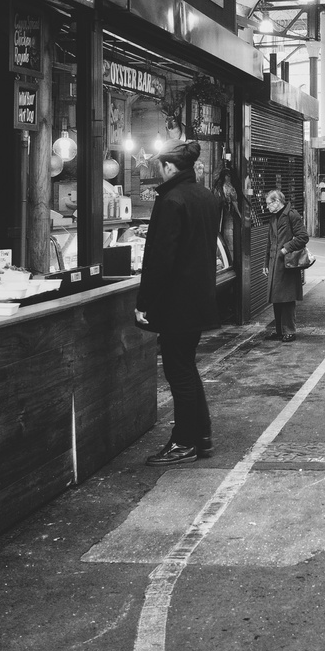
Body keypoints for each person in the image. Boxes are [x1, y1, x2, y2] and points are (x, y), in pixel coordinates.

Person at [135, 140, 222, 467]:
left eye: (160, 166)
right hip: (199, 298)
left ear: (170, 167)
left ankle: (184, 443)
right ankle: (201, 437)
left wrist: (144, 302)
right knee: (186, 369)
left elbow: (160, 259)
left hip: (176, 304)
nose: (159, 171)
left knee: (179, 371)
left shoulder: (172, 200)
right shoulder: (206, 196)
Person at [261, 188, 309, 342]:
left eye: (269, 203)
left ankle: (289, 331)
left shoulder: (291, 215)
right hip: (274, 263)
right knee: (277, 298)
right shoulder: (274, 217)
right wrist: (265, 263)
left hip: (286, 264)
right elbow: (269, 241)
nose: (267, 207)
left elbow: (303, 237)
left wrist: (285, 248)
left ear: (277, 202)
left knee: (287, 299)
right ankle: (280, 330)